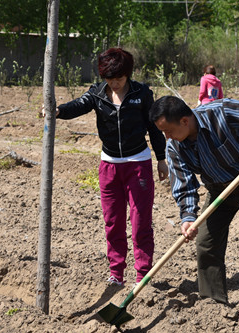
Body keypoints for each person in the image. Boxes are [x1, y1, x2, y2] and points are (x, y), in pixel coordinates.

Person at [149, 96, 239, 321]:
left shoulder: (219, 112)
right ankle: (213, 304)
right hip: (219, 191)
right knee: (206, 243)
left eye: (168, 130)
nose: (166, 137)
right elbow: (184, 185)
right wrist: (187, 217)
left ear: (185, 121)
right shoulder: (173, 146)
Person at [46, 48, 168, 286]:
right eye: (109, 78)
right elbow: (77, 105)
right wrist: (57, 110)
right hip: (109, 166)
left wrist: (161, 158)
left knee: (140, 222)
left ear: (127, 74)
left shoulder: (141, 93)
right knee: (113, 223)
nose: (114, 83)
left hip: (138, 164)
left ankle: (143, 275)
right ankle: (116, 274)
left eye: (119, 78)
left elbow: (154, 127)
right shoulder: (97, 93)